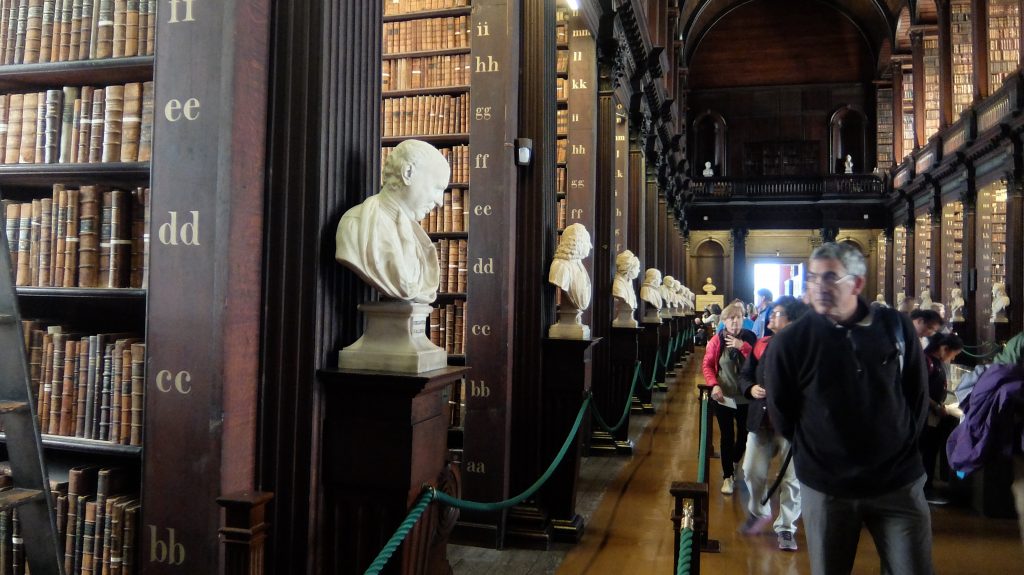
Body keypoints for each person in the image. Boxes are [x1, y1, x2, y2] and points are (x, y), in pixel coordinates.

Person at [763, 242, 931, 575]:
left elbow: (916, 395)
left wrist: (900, 442)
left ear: (856, 283)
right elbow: (783, 412)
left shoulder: (895, 328)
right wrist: (820, 454)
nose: (818, 287)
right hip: (828, 488)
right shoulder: (791, 342)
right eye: (812, 279)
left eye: (830, 278)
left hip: (898, 483)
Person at [335, 139, 450, 303]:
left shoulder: (418, 240)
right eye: (437, 188)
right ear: (408, 173)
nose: (440, 202)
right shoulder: (354, 225)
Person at [738, 296, 809, 551]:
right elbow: (746, 374)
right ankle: (759, 511)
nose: (770, 318)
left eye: (777, 313)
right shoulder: (762, 343)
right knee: (751, 471)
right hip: (762, 421)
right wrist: (751, 388)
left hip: (792, 425)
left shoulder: (806, 350)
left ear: (792, 319)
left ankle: (787, 528)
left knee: (791, 480)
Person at [702, 301, 757, 495]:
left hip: (746, 397)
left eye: (739, 317)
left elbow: (759, 362)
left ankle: (734, 460)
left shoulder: (750, 338)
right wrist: (714, 384)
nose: (735, 321)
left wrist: (743, 347)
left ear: (744, 319)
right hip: (723, 396)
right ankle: (727, 476)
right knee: (726, 436)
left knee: (744, 436)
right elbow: (707, 365)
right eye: (731, 318)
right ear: (724, 321)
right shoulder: (717, 340)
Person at [919, 333, 963, 504]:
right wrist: (936, 406)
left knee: (930, 452)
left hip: (934, 413)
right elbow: (921, 390)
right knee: (926, 453)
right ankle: (925, 490)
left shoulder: (935, 362)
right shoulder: (927, 361)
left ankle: (928, 487)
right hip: (927, 415)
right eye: (954, 354)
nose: (952, 358)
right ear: (945, 349)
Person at [549, 223, 592, 311]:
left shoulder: (579, 265)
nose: (590, 246)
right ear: (577, 242)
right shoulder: (560, 266)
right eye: (587, 241)